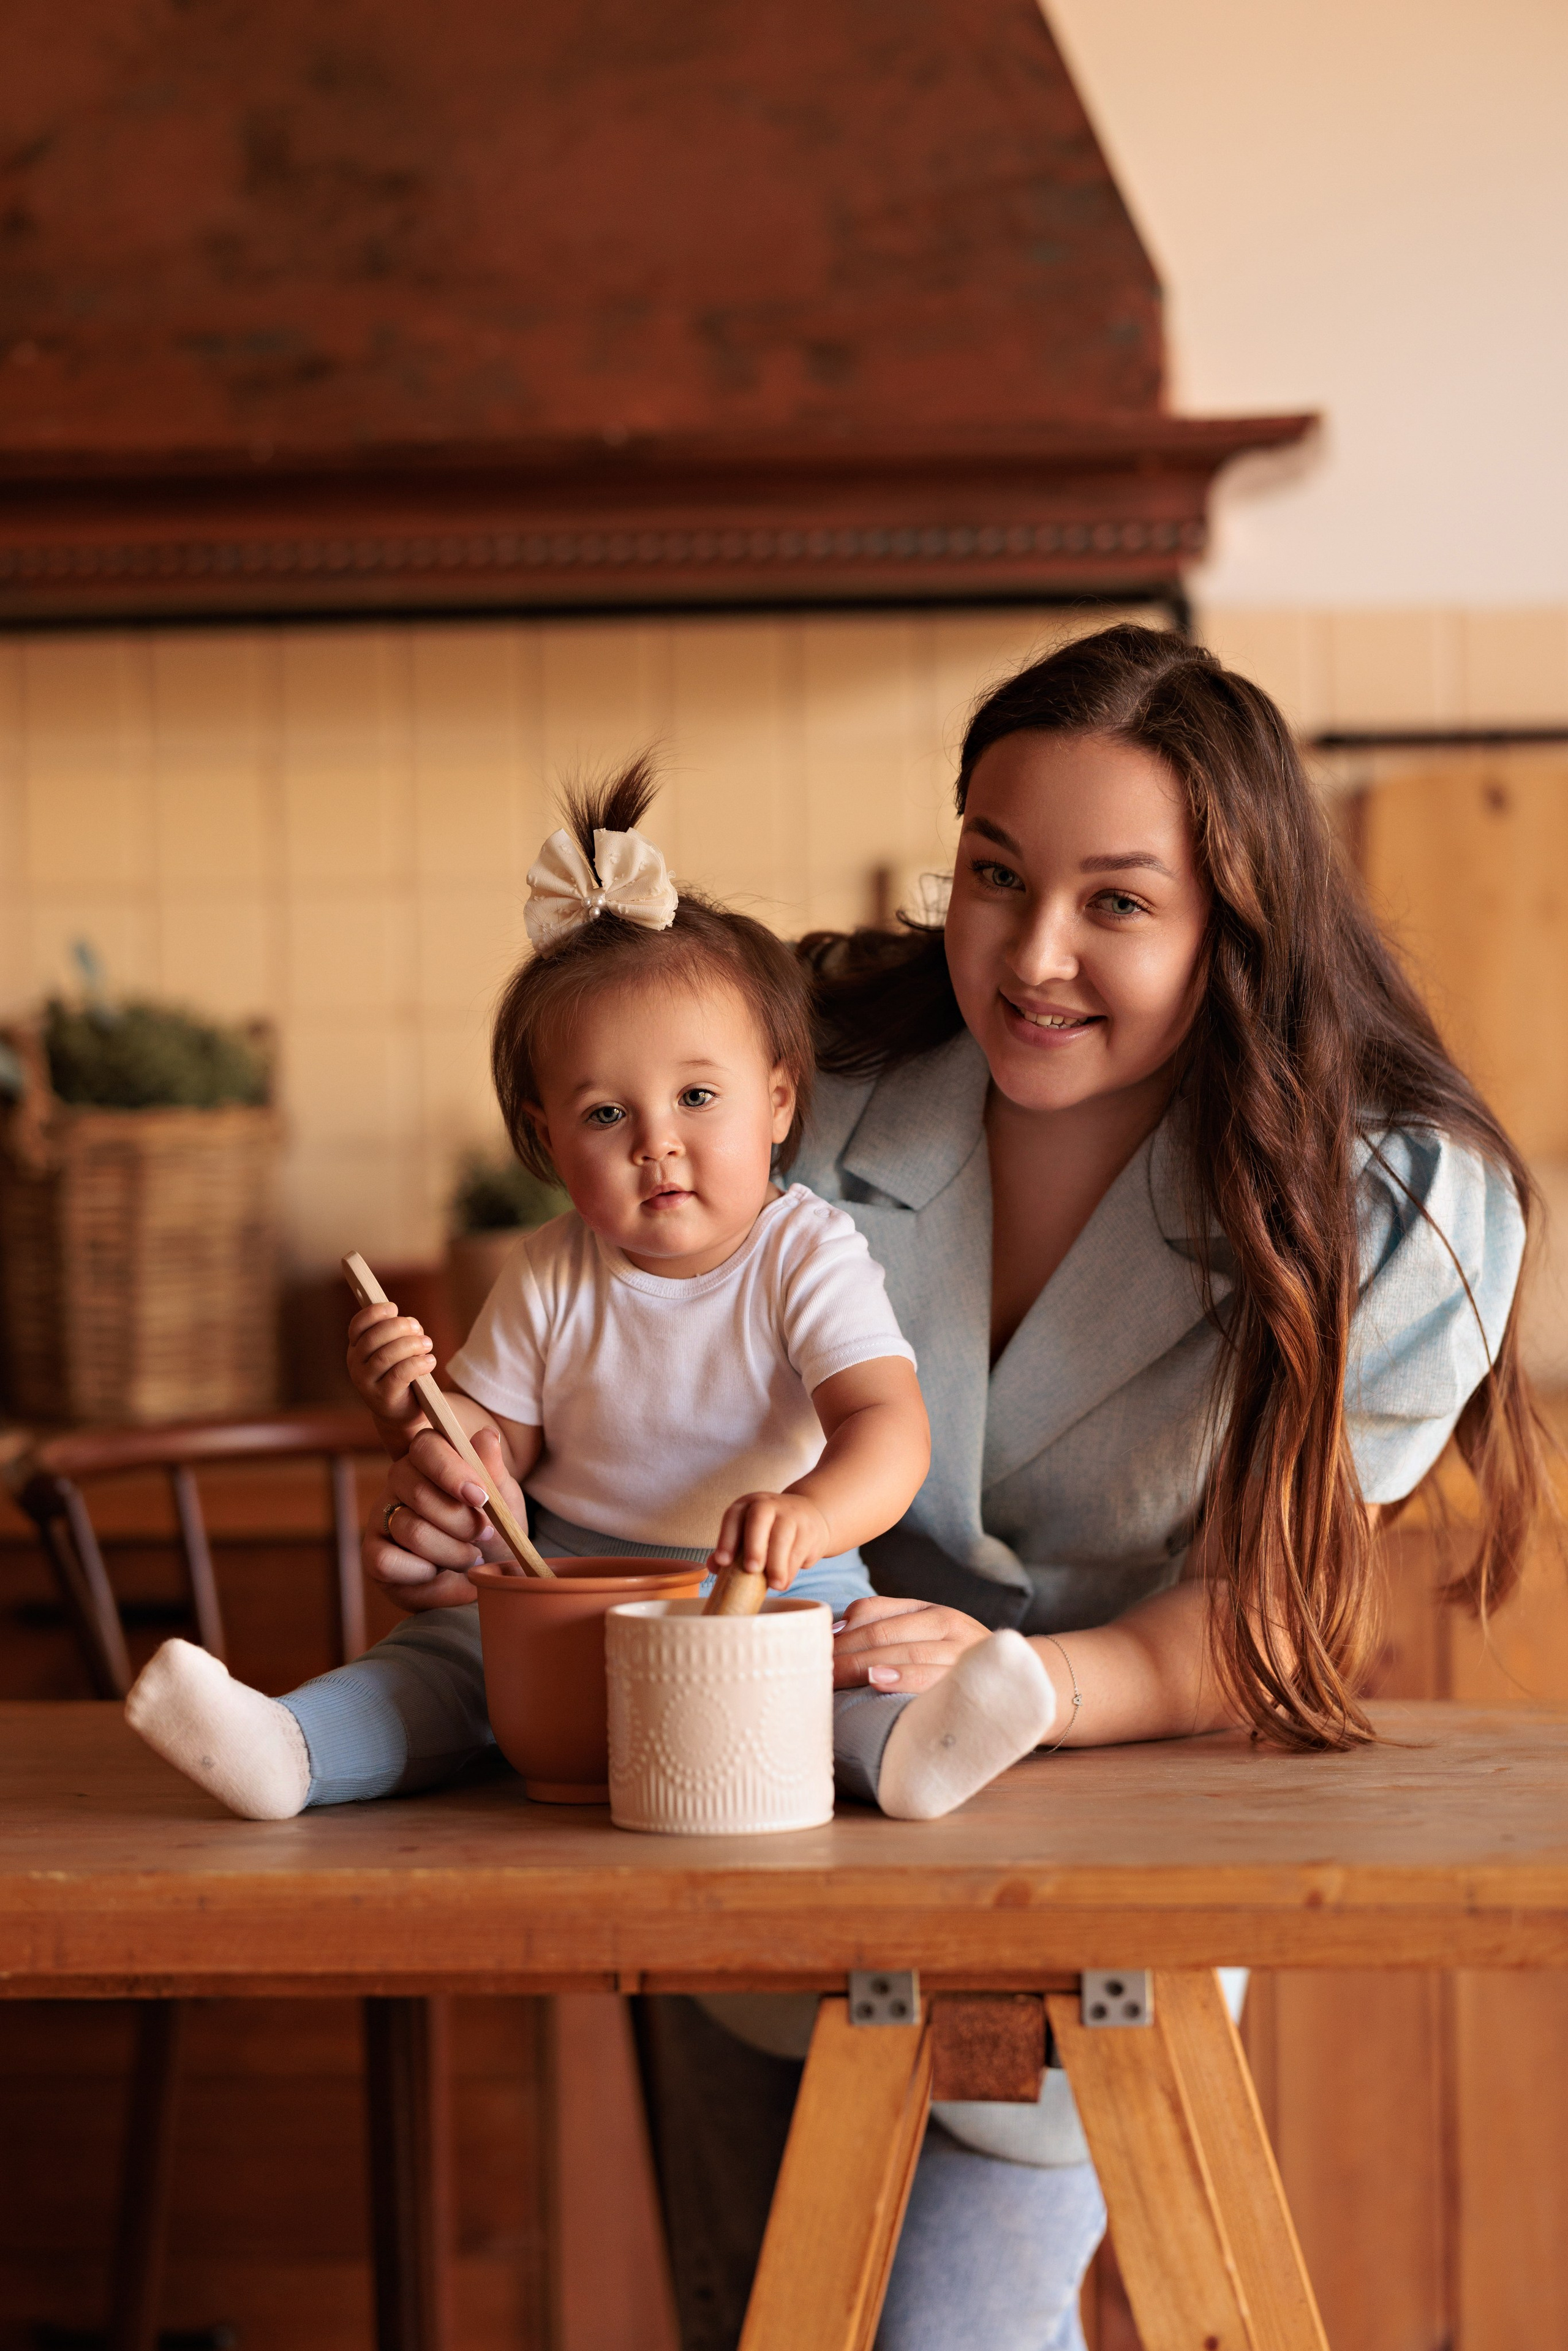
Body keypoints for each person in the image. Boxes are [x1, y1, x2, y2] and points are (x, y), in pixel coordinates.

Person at [237, 624, 1548, 2351]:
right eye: (996, 874)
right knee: (758, 2323)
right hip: (751, 1829)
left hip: (1093, 1889)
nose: (1033, 954)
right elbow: (601, 1369)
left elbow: (1275, 1613)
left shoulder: (1390, 1202)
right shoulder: (809, 1075)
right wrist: (471, 1484)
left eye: (1119, 901)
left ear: (1241, 915)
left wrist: (1023, 1686)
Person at [124, 763, 1063, 1827]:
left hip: (770, 1590)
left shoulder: (806, 1252)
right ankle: (289, 1748)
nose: (657, 1142)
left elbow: (889, 1428)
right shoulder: (549, 1272)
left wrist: (809, 1514)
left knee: (846, 1676)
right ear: (548, 1137)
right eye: (605, 1115)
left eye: (698, 1096)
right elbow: (494, 1453)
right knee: (434, 1661)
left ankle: (917, 1755)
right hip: (566, 1593)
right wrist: (420, 1418)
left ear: (778, 1101)